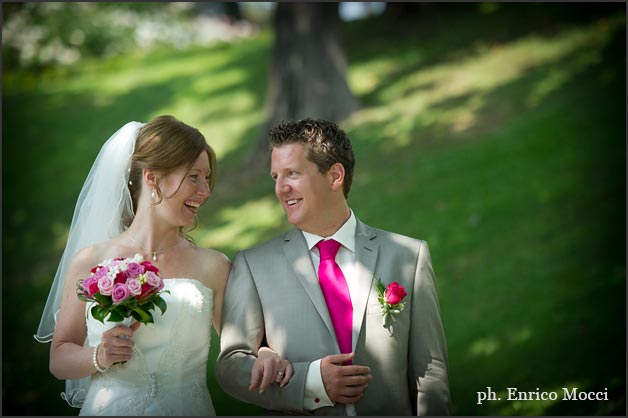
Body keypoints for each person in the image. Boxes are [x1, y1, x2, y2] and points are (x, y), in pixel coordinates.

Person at [216, 118, 452, 415]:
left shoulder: (407, 256)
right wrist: (310, 383)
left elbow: (430, 368)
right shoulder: (253, 266)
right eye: (275, 176)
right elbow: (231, 366)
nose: (280, 188)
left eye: (292, 173)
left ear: (335, 175)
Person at [34, 115, 231, 415]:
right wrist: (99, 356)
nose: (205, 191)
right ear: (151, 178)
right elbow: (59, 358)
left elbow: (241, 352)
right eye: (194, 176)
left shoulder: (214, 266)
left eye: (207, 178)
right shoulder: (91, 261)